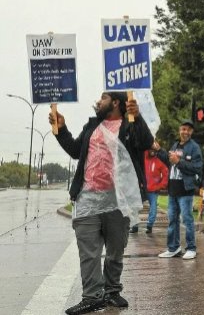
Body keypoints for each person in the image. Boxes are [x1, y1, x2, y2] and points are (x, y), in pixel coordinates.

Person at [51, 91, 153, 315]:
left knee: (115, 250)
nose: (98, 101)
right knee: (88, 251)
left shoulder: (130, 125)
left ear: (116, 103)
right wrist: (61, 130)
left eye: (103, 98)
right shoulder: (92, 126)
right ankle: (92, 297)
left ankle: (112, 291)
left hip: (119, 200)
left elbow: (146, 142)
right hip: (87, 198)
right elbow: (77, 151)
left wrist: (138, 117)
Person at [157, 119, 203, 260]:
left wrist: (180, 162)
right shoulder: (175, 145)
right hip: (173, 190)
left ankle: (191, 248)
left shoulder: (194, 148)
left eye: (188, 130)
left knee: (187, 219)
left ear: (191, 132)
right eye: (183, 129)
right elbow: (169, 161)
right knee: (172, 220)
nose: (185, 132)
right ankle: (173, 248)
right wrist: (158, 150)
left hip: (185, 191)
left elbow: (197, 167)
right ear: (179, 130)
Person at [137, 141, 169, 234]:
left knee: (153, 208)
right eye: (150, 148)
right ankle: (134, 226)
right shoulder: (141, 160)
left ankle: (149, 226)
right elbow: (137, 171)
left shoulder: (159, 161)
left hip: (153, 191)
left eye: (154, 149)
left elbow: (165, 174)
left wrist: (160, 186)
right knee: (135, 207)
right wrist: (139, 183)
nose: (152, 151)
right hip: (142, 189)